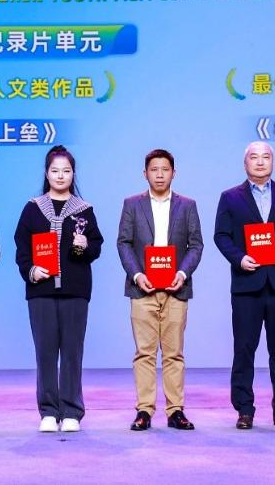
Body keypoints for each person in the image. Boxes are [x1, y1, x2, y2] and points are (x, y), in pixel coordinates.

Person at [213, 141, 275, 430]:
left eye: (265, 157)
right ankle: (244, 409)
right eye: (254, 157)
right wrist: (239, 258)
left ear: (273, 162)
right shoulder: (230, 197)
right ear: (245, 164)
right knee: (244, 349)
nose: (260, 162)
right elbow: (221, 236)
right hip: (247, 284)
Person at [14, 145, 103, 433]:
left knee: (73, 352)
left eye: (66, 170)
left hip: (75, 290)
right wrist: (31, 270)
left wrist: (84, 246)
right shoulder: (32, 208)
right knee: (45, 352)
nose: (60, 175)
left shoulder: (84, 209)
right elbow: (22, 248)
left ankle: (72, 411)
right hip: (41, 291)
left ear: (73, 173)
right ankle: (49, 411)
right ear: (46, 173)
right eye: (55, 170)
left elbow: (96, 246)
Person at [117, 149, 203, 431]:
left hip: (176, 289)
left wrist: (182, 273)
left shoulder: (187, 205)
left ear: (173, 173)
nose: (159, 175)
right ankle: (144, 410)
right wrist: (137, 274)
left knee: (174, 353)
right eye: (154, 169)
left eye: (165, 169)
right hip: (143, 289)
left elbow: (196, 245)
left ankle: (175, 410)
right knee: (144, 353)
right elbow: (123, 243)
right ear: (145, 174)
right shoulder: (132, 204)